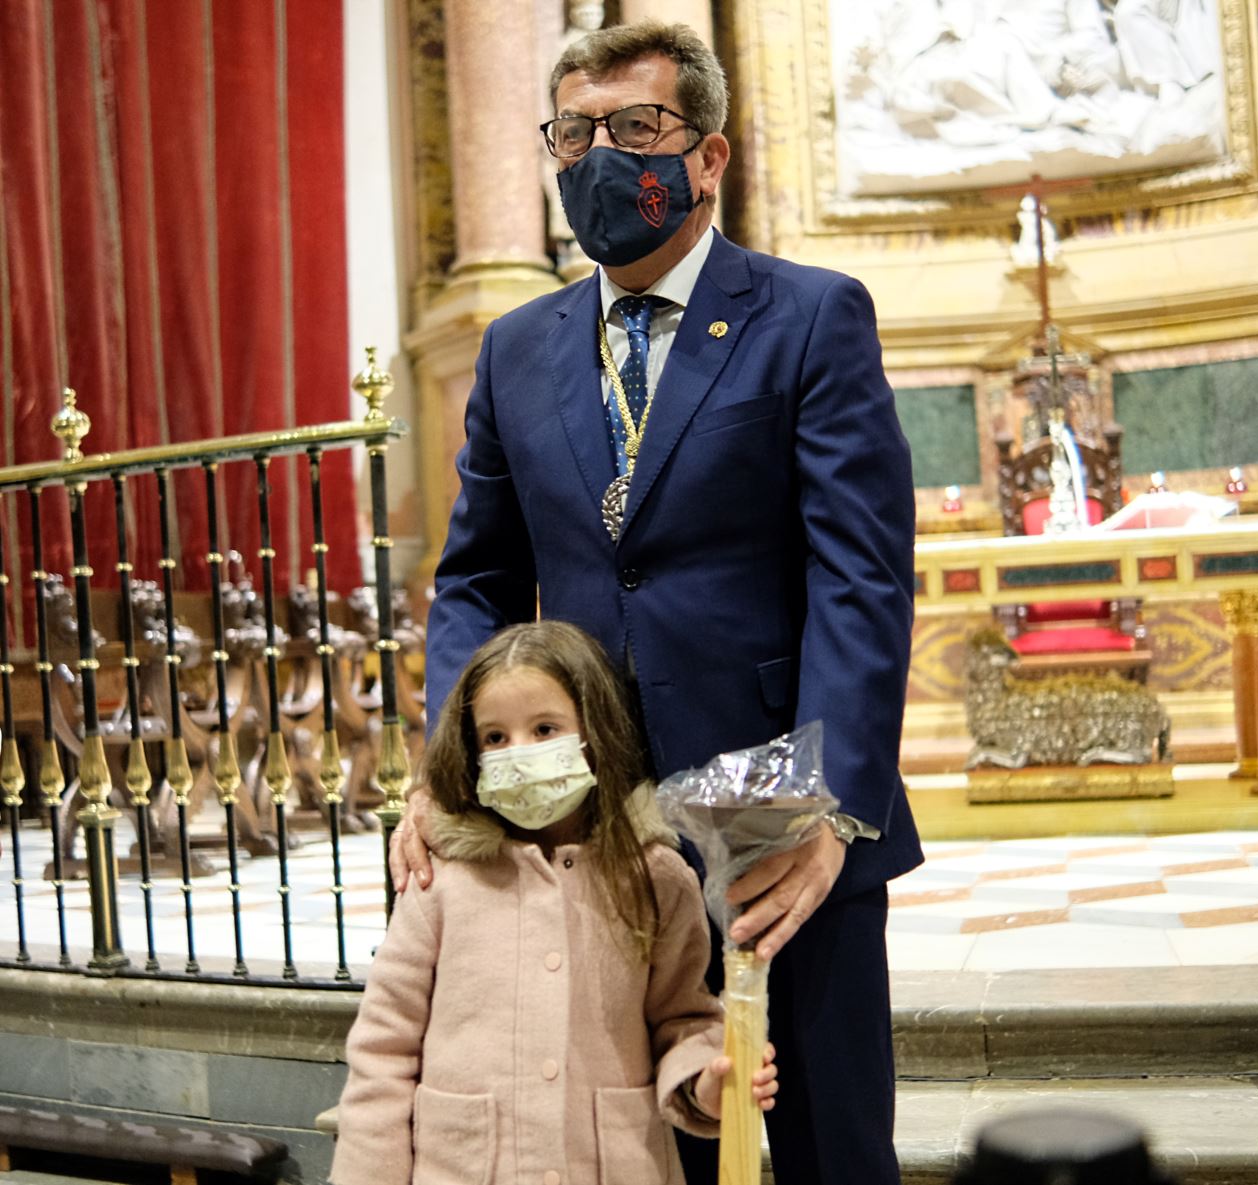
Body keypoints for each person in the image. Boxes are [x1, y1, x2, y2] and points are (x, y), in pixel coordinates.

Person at [393, 20, 922, 1185]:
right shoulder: (515, 348)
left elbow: (861, 577)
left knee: (827, 1145)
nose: (599, 158)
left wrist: (829, 809)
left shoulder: (808, 314)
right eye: (573, 133)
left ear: (708, 156)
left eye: (636, 128)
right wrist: (446, 773)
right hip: (592, 818)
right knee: (638, 1141)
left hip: (773, 810)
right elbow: (478, 578)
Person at [332, 620, 777, 1185]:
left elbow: (681, 1019)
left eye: (545, 729)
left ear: (596, 731)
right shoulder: (441, 881)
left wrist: (706, 1083)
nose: (520, 753)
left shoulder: (655, 877)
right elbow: (384, 1049)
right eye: (495, 737)